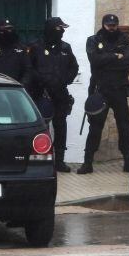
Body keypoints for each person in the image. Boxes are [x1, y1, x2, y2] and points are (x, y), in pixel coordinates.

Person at [79, 14, 129, 174]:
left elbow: (128, 61)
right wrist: (114, 56)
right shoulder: (94, 40)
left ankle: (127, 160)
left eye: (114, 25)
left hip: (119, 90)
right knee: (95, 127)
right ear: (103, 24)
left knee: (124, 127)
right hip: (100, 90)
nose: (111, 28)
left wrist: (106, 60)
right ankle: (87, 162)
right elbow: (94, 60)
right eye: (109, 25)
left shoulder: (125, 39)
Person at [29, 17, 80, 172]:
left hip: (60, 93)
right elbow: (29, 68)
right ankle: (41, 161)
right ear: (51, 29)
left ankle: (60, 162)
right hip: (40, 93)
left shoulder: (65, 48)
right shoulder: (36, 47)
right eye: (59, 29)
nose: (62, 32)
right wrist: (41, 81)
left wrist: (65, 80)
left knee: (61, 127)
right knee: (40, 128)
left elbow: (74, 67)